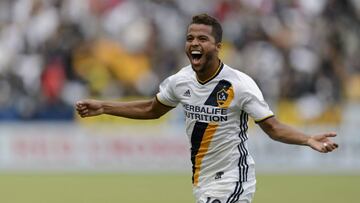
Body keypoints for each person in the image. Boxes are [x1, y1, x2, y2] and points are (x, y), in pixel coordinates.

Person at [76, 14, 339, 203]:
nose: (194, 43)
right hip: (203, 181)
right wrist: (103, 106)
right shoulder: (180, 81)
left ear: (218, 47)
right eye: (190, 38)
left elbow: (273, 127)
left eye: (203, 38)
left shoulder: (240, 85)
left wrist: (308, 139)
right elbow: (151, 109)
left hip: (234, 180)